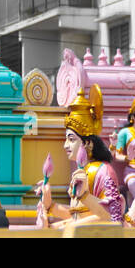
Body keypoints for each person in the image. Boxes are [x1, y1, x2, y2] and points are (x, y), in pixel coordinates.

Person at [35, 84, 124, 227]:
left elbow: (110, 216)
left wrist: (85, 196)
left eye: (71, 139)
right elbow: (77, 215)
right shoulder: (82, 172)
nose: (65, 145)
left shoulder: (103, 171)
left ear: (88, 143)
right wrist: (50, 205)